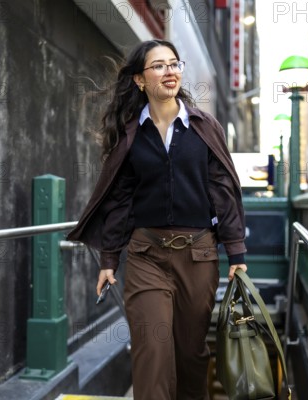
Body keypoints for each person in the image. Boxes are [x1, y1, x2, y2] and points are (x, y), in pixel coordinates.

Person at [67, 39, 248, 400]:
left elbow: (222, 190)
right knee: (152, 351)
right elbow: (119, 200)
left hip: (198, 257)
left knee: (190, 353)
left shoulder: (204, 127)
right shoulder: (131, 132)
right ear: (140, 80)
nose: (170, 72)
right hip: (146, 255)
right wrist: (108, 258)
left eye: (175, 64)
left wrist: (236, 253)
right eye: (159, 66)